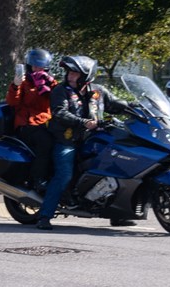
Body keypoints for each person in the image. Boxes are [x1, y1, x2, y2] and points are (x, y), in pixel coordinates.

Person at [36, 54, 103, 230]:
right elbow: (60, 112)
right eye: (69, 72)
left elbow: (116, 103)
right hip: (67, 141)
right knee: (64, 175)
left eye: (75, 73)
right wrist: (83, 122)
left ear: (85, 76)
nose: (70, 75)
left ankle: (119, 214)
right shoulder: (60, 90)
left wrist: (135, 109)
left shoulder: (96, 92)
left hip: (91, 140)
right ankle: (45, 215)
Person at [7, 48, 55, 188]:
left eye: (40, 66)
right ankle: (38, 179)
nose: (36, 69)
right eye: (34, 66)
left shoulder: (51, 82)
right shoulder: (24, 82)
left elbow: (59, 98)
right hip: (28, 123)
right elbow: (12, 102)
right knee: (45, 142)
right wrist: (15, 85)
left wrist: (48, 84)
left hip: (47, 122)